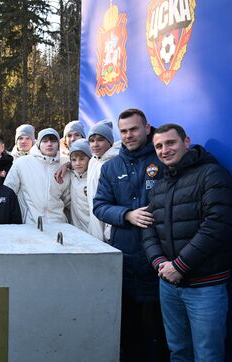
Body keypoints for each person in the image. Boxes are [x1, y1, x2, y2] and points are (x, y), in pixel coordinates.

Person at [143, 123, 232, 361]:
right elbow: (148, 227)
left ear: (186, 141)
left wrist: (180, 266)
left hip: (205, 287)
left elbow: (217, 225)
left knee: (208, 355)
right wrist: (160, 263)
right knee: (178, 351)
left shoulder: (211, 174)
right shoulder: (161, 184)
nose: (164, 150)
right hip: (168, 285)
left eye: (170, 143)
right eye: (159, 146)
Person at [93, 108, 167, 362]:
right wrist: (127, 214)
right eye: (123, 131)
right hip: (124, 259)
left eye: (134, 129)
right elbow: (100, 205)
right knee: (128, 332)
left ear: (147, 129)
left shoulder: (162, 159)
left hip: (158, 260)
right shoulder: (111, 167)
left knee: (157, 332)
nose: (128, 135)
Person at [4, 128, 70, 225]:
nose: (49, 144)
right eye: (45, 141)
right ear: (38, 143)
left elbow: (69, 201)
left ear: (58, 144)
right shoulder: (22, 163)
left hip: (57, 224)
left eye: (53, 141)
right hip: (29, 224)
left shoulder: (63, 168)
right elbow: (8, 193)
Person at [87, 120, 119, 241]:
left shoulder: (115, 163)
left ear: (110, 142)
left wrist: (109, 230)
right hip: (94, 223)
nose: (95, 144)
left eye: (100, 140)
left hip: (109, 227)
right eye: (92, 140)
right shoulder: (93, 161)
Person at [68, 139, 91, 233]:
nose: (77, 163)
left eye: (82, 159)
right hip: (77, 231)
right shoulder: (71, 176)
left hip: (94, 230)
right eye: (73, 160)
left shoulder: (94, 178)